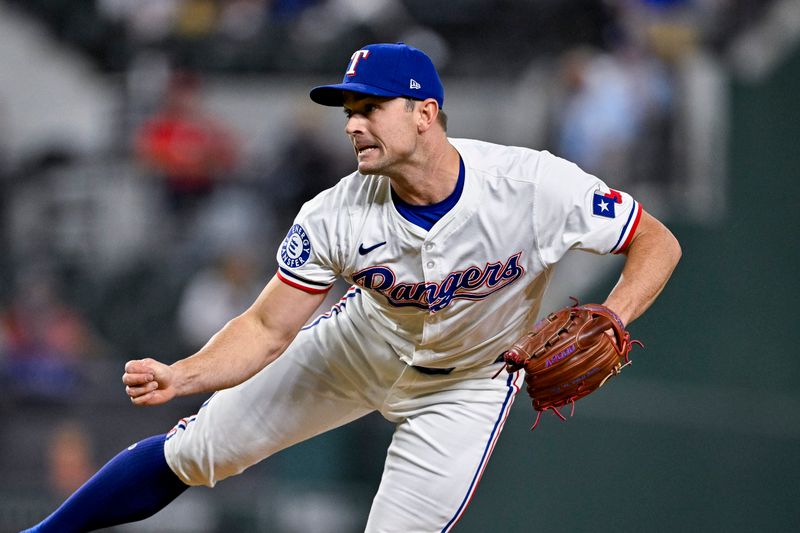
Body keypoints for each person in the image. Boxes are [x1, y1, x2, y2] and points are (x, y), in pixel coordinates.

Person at [24, 43, 681, 532]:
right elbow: (266, 326)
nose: (352, 123)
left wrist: (614, 314)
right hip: (357, 346)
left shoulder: (532, 186)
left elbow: (656, 239)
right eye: (348, 109)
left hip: (468, 387)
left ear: (425, 112)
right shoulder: (335, 212)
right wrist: (187, 373)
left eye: (370, 107)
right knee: (192, 452)